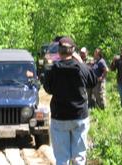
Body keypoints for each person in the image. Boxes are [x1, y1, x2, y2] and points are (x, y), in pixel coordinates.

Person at [43, 37, 97, 165]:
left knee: (62, 159)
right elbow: (93, 81)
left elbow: (48, 89)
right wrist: (81, 62)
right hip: (79, 116)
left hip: (59, 117)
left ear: (59, 51)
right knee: (79, 158)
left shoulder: (53, 70)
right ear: (73, 51)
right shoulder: (81, 68)